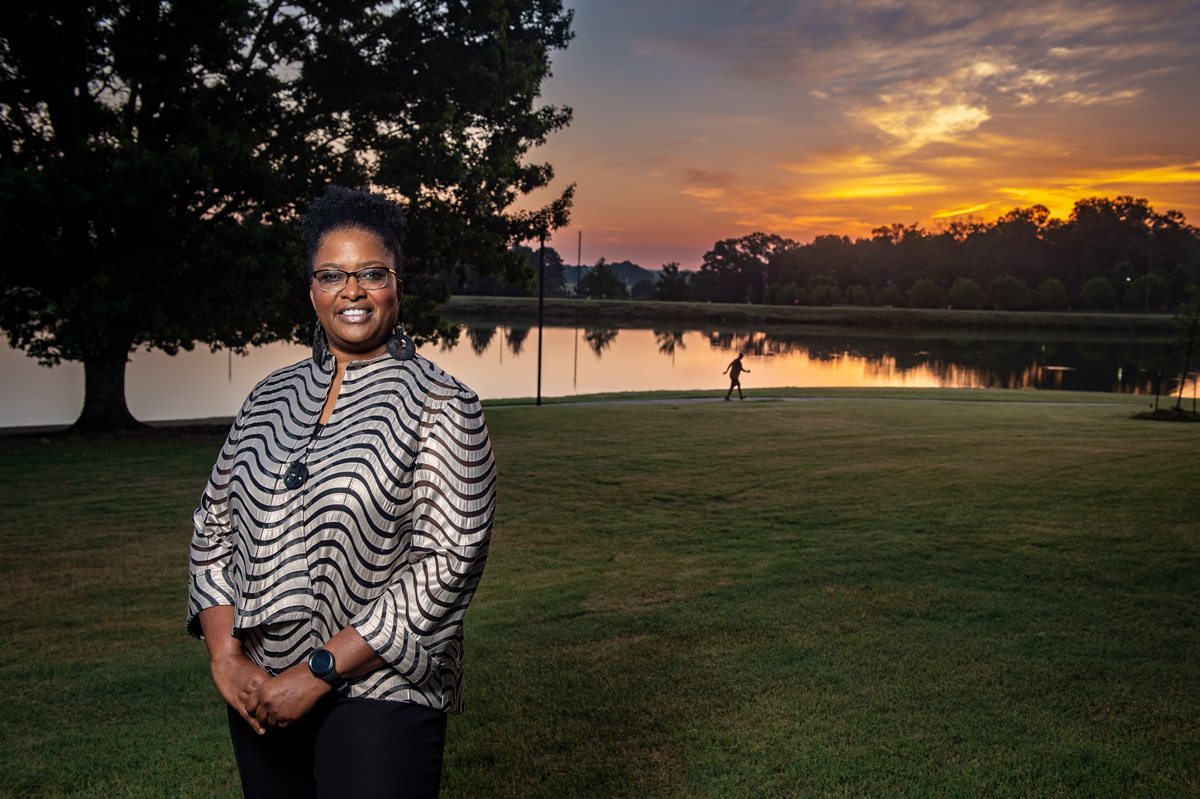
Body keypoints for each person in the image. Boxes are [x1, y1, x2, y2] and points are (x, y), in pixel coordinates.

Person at [187, 186, 496, 799]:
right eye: (332, 274)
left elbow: (448, 563)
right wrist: (227, 657)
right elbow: (213, 526)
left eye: (371, 274)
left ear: (397, 285)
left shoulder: (441, 405)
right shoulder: (268, 398)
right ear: (312, 290)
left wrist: (318, 671)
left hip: (380, 692)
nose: (351, 291)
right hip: (261, 689)